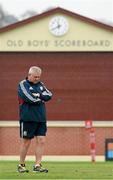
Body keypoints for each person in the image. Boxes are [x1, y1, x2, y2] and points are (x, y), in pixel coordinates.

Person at [17, 66, 52, 173]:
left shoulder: (41, 85)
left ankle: (37, 165)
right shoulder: (23, 84)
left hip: (41, 118)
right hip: (28, 118)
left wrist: (38, 95)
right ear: (29, 75)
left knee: (41, 140)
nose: (37, 79)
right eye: (35, 77)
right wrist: (39, 98)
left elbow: (49, 95)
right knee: (26, 142)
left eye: (39, 77)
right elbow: (29, 97)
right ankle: (21, 165)